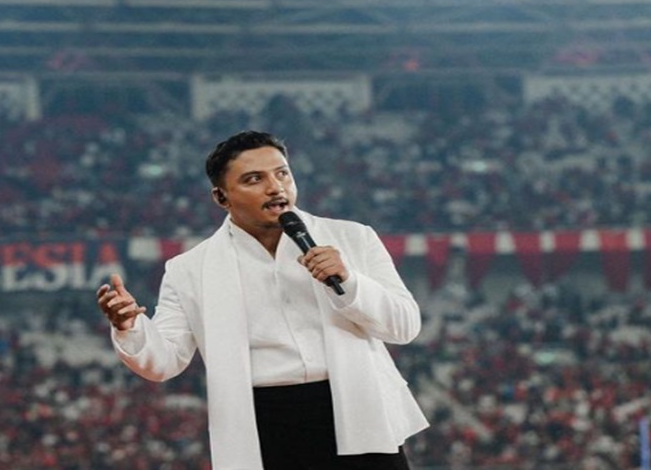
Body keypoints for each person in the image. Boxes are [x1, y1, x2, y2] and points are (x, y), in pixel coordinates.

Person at [97, 130, 428, 469]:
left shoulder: (353, 237)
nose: (276, 187)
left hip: (357, 409)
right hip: (265, 421)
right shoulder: (189, 269)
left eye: (282, 173)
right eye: (254, 179)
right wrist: (129, 327)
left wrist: (350, 281)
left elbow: (404, 326)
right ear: (221, 197)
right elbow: (165, 362)